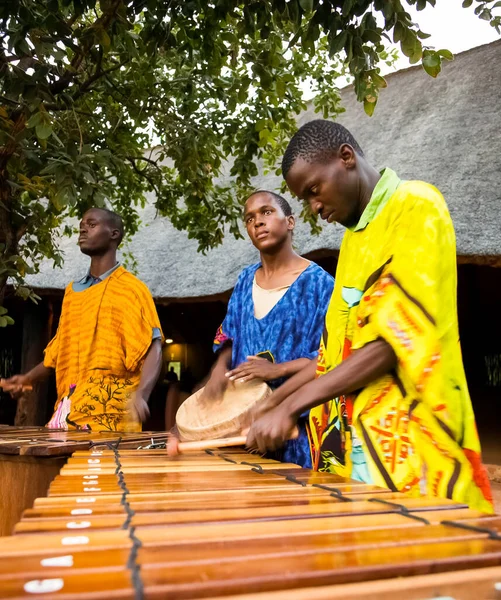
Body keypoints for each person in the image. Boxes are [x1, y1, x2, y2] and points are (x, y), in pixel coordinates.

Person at [246, 120, 493, 513]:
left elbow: (390, 345)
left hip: (416, 458)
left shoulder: (415, 206)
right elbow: (334, 359)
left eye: (314, 190)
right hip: (353, 458)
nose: (314, 207)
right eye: (305, 199)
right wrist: (273, 404)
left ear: (346, 158)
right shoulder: (352, 243)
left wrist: (291, 406)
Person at [203, 190, 334, 467]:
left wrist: (278, 369)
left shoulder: (319, 284)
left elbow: (330, 356)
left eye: (266, 212)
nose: (258, 222)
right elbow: (228, 335)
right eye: (250, 219)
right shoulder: (244, 279)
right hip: (241, 429)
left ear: (290, 222)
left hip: (292, 429)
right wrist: (218, 370)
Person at [5, 208, 163, 432]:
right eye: (82, 225)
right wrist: (27, 378)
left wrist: (141, 395)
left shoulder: (132, 290)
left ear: (114, 234)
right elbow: (59, 352)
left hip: (110, 417)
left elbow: (152, 346)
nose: (83, 229)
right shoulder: (72, 292)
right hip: (68, 412)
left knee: (102, 468)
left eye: (91, 224)